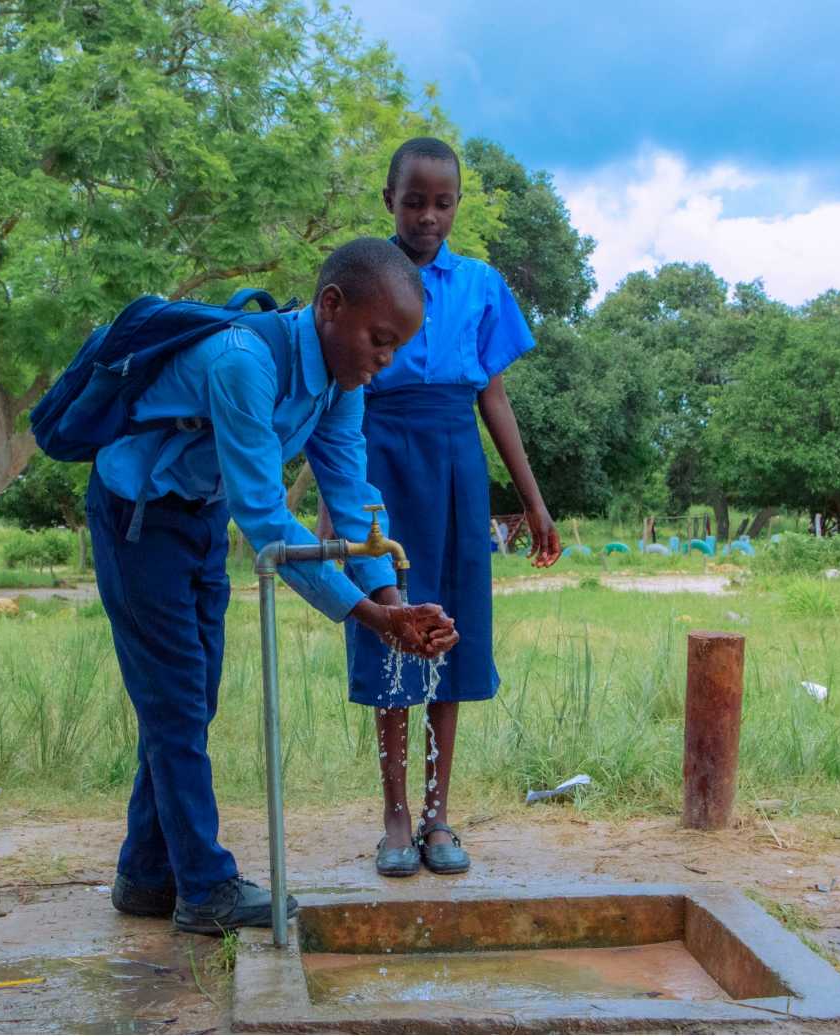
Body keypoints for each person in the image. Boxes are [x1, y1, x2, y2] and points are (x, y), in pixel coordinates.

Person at [89, 237, 459, 935]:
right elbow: (265, 518)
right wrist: (367, 617)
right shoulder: (244, 364)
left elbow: (352, 496)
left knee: (194, 697)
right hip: (136, 520)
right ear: (330, 307)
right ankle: (204, 888)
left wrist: (392, 603)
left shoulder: (340, 387)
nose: (386, 360)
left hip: (198, 518)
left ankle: (144, 875)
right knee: (174, 705)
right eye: (380, 340)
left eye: (397, 347)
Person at [331, 137, 561, 878]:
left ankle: (438, 814)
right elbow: (340, 388)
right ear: (388, 202)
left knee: (448, 636)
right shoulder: (368, 277)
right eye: (413, 201)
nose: (428, 216)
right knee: (396, 626)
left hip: (458, 465)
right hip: (380, 462)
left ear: (457, 204)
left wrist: (533, 502)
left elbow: (493, 397)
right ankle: (394, 812)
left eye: (443, 202)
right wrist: (339, 499)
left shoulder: (482, 284)